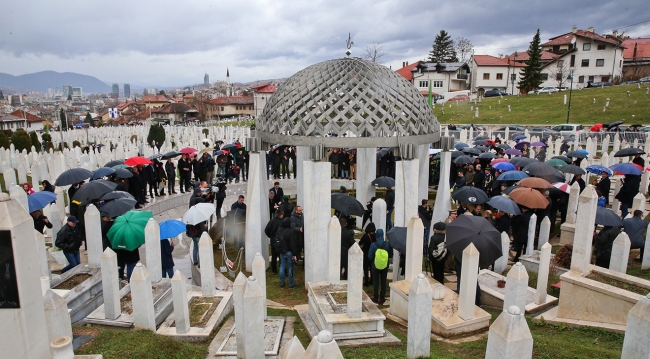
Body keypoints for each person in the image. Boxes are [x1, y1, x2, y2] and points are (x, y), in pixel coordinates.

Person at [368, 228, 392, 305]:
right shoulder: (387, 244)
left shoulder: (373, 245)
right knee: (383, 281)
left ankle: (375, 297)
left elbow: (369, 256)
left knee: (376, 281)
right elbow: (391, 255)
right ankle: (382, 298)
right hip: (385, 266)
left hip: (375, 266)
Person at [279, 217, 299, 288]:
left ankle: (281, 282)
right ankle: (291, 283)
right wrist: (294, 254)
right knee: (291, 267)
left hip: (282, 251)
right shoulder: (291, 231)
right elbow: (293, 244)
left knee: (282, 266)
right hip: (289, 252)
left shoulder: (279, 230)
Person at [265, 209, 284, 274]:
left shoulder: (271, 221)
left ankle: (274, 270)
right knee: (281, 255)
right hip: (281, 240)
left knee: (274, 255)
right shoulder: (282, 222)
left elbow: (266, 230)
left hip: (273, 240)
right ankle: (282, 268)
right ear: (281, 215)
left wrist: (271, 236)